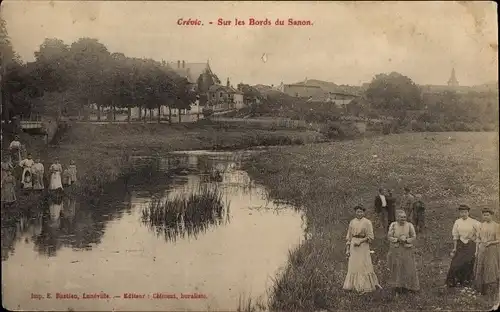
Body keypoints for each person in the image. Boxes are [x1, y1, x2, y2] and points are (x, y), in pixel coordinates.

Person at [343, 205, 381, 293]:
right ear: (355, 212)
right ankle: (352, 285)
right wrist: (348, 248)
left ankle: (364, 286)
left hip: (363, 245)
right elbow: (349, 236)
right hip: (354, 244)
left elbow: (370, 237)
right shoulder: (352, 222)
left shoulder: (367, 222)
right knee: (354, 265)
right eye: (357, 212)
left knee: (363, 265)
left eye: (361, 212)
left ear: (364, 212)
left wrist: (361, 241)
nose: (359, 213)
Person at [446, 204, 480, 287]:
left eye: (465, 212)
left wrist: (475, 241)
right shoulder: (457, 222)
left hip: (471, 244)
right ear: (459, 213)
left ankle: (466, 280)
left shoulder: (474, 222)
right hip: (460, 244)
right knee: (455, 263)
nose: (463, 214)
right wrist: (454, 248)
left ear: (468, 212)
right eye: (461, 212)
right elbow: (455, 236)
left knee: (467, 262)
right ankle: (453, 281)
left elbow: (479, 234)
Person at [387, 209, 420, 294]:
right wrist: (397, 239)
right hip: (396, 249)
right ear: (397, 217)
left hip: (406, 249)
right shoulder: (393, 225)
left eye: (404, 217)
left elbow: (414, 236)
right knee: (397, 267)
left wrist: (406, 240)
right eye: (401, 217)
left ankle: (409, 286)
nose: (403, 219)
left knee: (408, 267)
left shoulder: (409, 225)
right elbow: (389, 236)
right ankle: (398, 286)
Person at [474, 208, 500, 304]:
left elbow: (498, 239)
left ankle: (491, 288)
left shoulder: (496, 226)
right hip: (482, 248)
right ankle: (481, 288)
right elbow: (478, 239)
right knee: (480, 267)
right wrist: (477, 251)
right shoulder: (480, 225)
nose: (485, 216)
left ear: (491, 215)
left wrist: (490, 243)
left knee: (491, 267)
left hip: (492, 249)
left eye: (487, 215)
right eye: (484, 215)